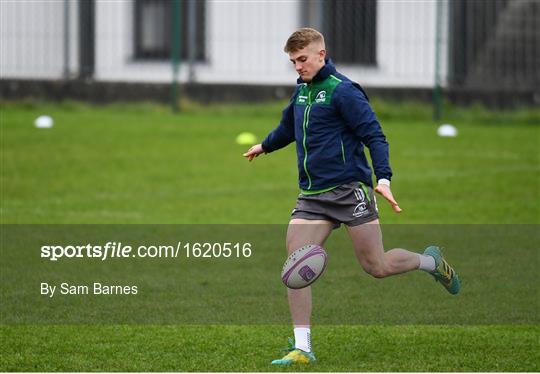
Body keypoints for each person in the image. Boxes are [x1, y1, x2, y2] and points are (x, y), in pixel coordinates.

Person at [243, 28, 460, 366]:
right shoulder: (302, 91)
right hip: (313, 196)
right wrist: (265, 145)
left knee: (377, 265)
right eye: (293, 61)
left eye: (302, 60)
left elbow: (374, 134)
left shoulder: (343, 91)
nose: (297, 67)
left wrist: (383, 177)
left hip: (349, 191)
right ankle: (303, 348)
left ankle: (431, 262)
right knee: (295, 265)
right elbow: (289, 127)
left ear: (321, 55)